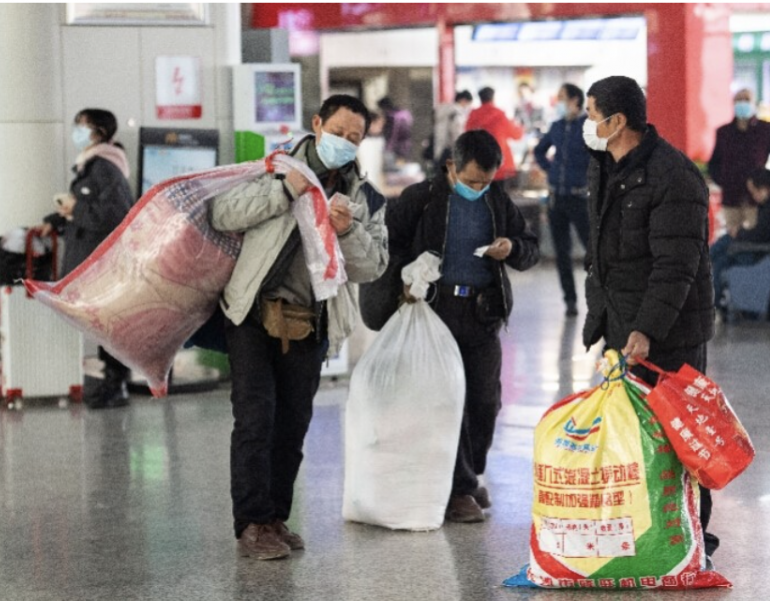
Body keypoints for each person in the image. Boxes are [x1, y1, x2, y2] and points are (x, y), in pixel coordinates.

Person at [210, 94, 388, 560]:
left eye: (355, 138)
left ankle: (273, 518)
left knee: (292, 425)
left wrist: (347, 230)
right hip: (250, 311)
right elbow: (222, 213)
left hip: (310, 321)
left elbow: (374, 266)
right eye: (339, 133)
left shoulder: (363, 198)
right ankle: (250, 523)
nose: (346, 144)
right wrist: (283, 189)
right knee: (255, 418)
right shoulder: (273, 166)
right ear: (317, 124)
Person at [580, 76, 719, 564]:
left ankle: (692, 541)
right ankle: (646, 536)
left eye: (591, 112)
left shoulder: (674, 176)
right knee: (633, 440)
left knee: (679, 440)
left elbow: (676, 266)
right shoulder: (605, 165)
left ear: (616, 122)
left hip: (668, 334)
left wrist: (648, 330)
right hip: (620, 325)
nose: (586, 122)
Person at [391, 130, 539, 523]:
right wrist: (404, 281)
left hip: (482, 312)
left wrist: (512, 249)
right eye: (472, 180)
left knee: (484, 403)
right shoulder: (421, 199)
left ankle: (468, 477)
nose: (478, 188)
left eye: (486, 182)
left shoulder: (496, 201)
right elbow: (389, 246)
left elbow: (530, 247)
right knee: (445, 401)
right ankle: (458, 490)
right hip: (436, 312)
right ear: (452, 166)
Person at [38, 108, 133, 409]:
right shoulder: (89, 166)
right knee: (101, 324)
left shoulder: (105, 167)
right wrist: (58, 218)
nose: (76, 132)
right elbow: (89, 207)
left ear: (100, 133)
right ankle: (108, 383)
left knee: (107, 324)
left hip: (100, 261)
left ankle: (113, 384)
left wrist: (75, 209)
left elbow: (115, 214)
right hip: (89, 257)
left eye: (82, 127)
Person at [534, 83, 592, 317]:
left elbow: (600, 157)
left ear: (575, 100)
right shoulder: (557, 127)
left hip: (579, 197)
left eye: (562, 98)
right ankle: (570, 300)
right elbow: (540, 151)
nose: (558, 102)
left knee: (592, 250)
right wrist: (551, 170)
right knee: (562, 252)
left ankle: (601, 299)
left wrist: (586, 176)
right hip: (556, 197)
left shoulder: (589, 127)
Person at [708, 88, 770, 231]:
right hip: (731, 197)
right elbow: (714, 163)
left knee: (756, 235)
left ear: (753, 103)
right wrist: (723, 180)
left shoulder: (766, 130)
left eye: (746, 100)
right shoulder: (724, 132)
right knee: (731, 238)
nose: (742, 103)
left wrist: (768, 182)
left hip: (757, 198)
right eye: (739, 100)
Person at [710, 168, 770, 312]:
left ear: (764, 189)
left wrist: (739, 233)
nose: (753, 196)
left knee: (724, 246)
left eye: (754, 192)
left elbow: (760, 235)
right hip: (761, 248)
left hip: (760, 251)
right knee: (720, 261)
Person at [465, 87, 524, 186]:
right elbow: (516, 135)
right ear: (493, 98)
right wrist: (521, 128)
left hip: (478, 162)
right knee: (498, 195)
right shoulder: (500, 115)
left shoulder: (473, 115)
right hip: (498, 163)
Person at [433, 90, 474, 169]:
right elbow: (457, 135)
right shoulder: (457, 114)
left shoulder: (443, 110)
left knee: (442, 175)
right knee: (450, 178)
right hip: (450, 153)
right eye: (468, 104)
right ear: (463, 100)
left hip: (439, 150)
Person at [377, 96, 413, 163]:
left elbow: (391, 133)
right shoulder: (404, 113)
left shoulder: (390, 117)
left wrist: (388, 147)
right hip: (406, 145)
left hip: (394, 148)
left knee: (393, 169)